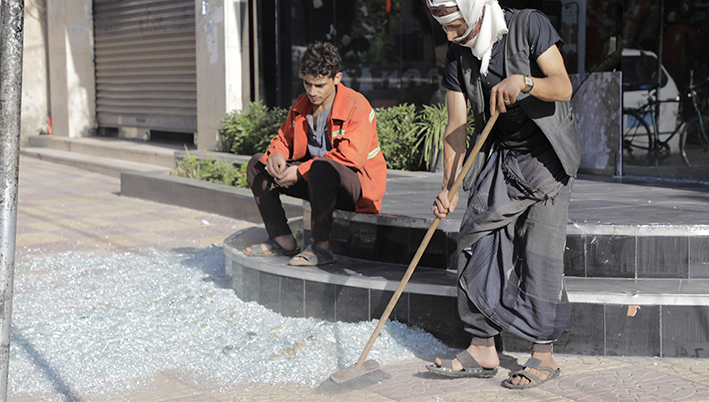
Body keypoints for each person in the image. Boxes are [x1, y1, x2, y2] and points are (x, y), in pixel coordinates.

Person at [423, 0, 581, 389]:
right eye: (444, 27)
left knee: (539, 253)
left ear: (474, 10)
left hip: (547, 161)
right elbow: (457, 125)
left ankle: (542, 355)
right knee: (474, 237)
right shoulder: (459, 57)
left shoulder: (529, 26)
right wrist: (449, 186)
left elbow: (562, 86)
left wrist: (524, 82)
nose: (450, 34)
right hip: (504, 158)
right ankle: (482, 347)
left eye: (456, 25)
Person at [243, 41, 387, 266]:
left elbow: (352, 157)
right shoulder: (302, 103)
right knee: (256, 164)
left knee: (321, 166)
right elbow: (282, 138)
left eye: (319, 85)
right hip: (317, 182)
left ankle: (322, 247)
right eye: (307, 83)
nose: (312, 92)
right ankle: (282, 239)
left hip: (356, 189)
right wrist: (277, 155)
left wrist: (299, 171)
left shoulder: (356, 106)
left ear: (337, 78)